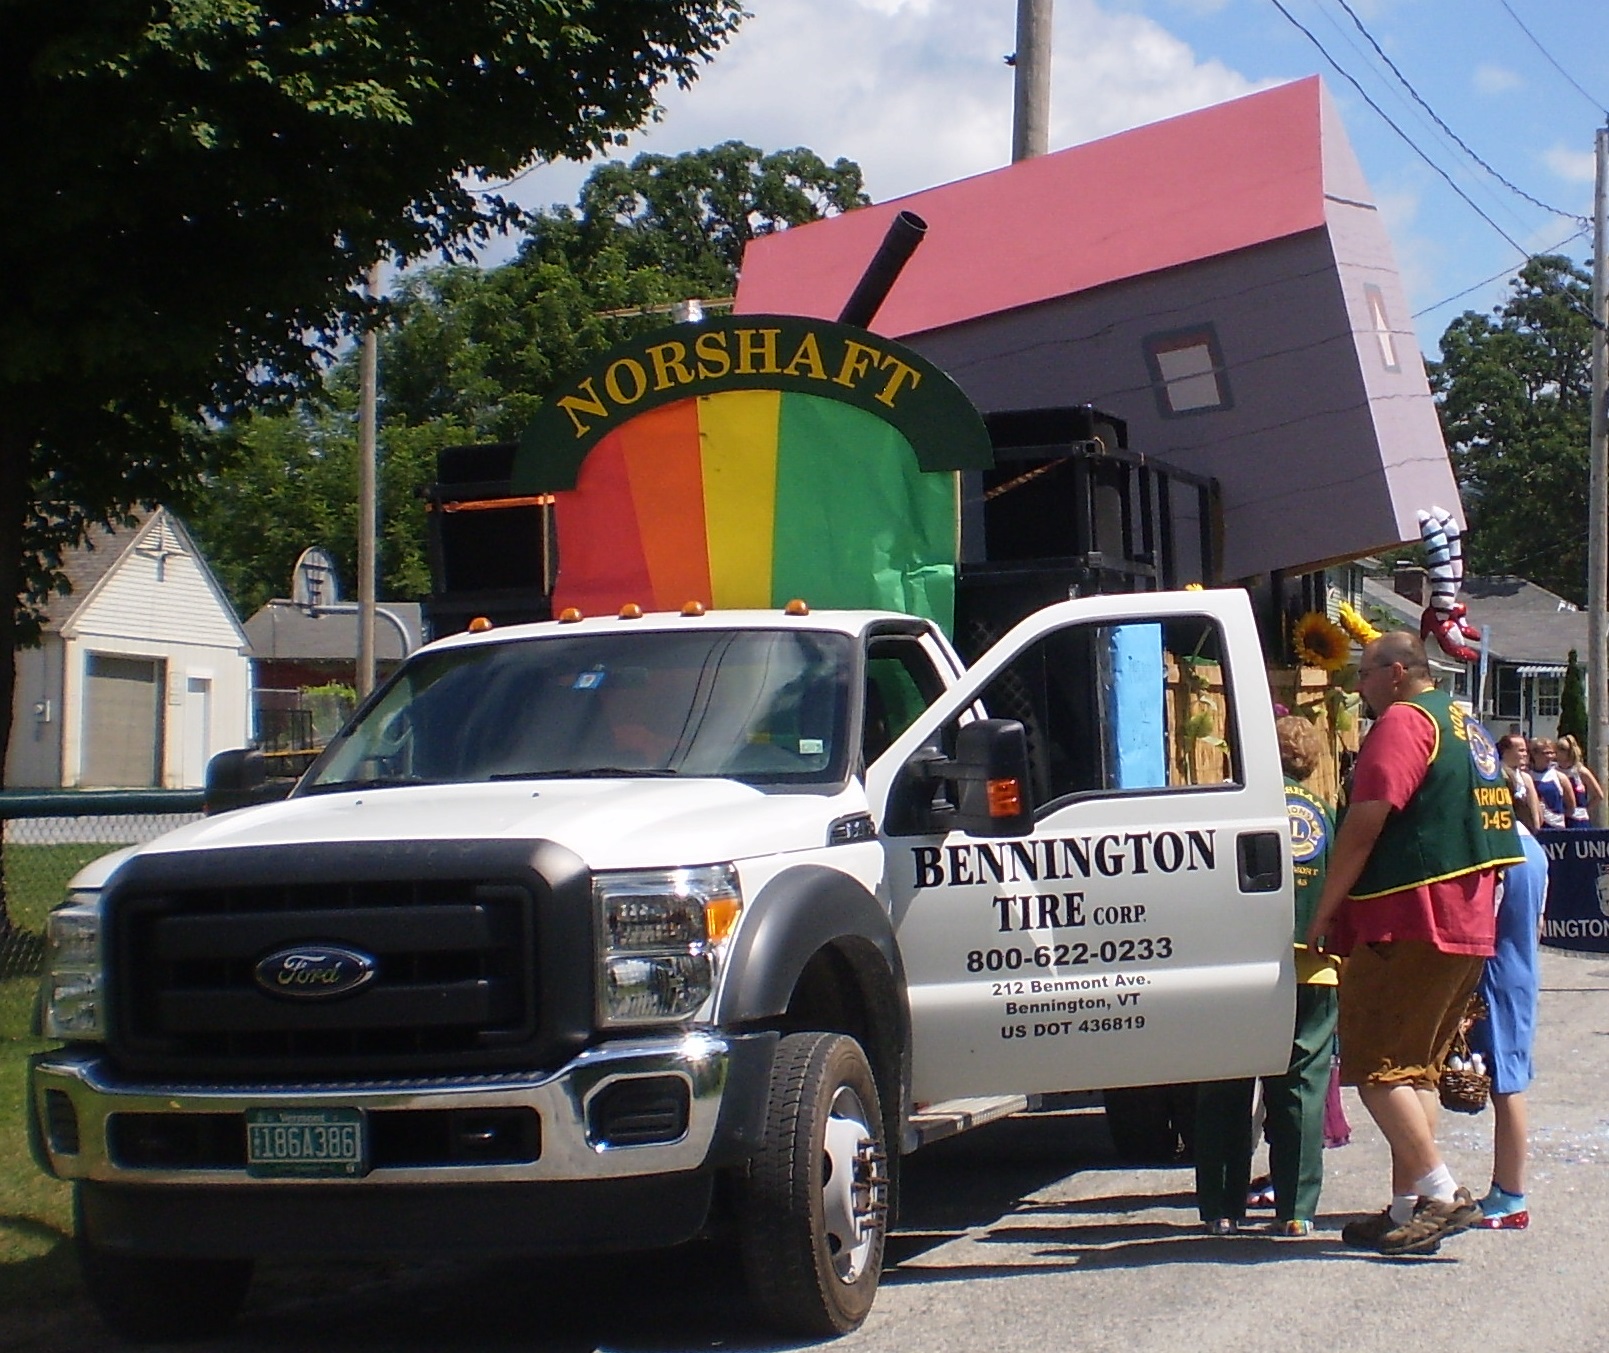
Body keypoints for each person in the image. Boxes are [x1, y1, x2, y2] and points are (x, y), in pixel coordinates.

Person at [1305, 631, 1524, 1257]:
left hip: (1409, 919)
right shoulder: (1464, 723)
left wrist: (1325, 911)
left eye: (1365, 674)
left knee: (1376, 1067)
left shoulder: (1403, 723)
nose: (1357, 687)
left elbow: (1365, 821)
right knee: (1416, 1073)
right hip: (1467, 918)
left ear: (1397, 672)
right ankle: (1406, 1209)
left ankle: (1441, 1194)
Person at [1195, 716, 1344, 1238]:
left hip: (1242, 969)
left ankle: (1221, 1207)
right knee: (1300, 1088)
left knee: (1226, 1086)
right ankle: (1297, 1210)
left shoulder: (1235, 806)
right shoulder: (1324, 814)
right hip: (1314, 969)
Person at [1467, 790, 1549, 1229]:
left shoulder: (1500, 857)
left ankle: (1510, 1193)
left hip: (1496, 973)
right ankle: (1507, 1188)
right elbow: (1537, 920)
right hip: (1523, 971)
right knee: (1511, 1077)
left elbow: (1483, 922)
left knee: (1506, 1085)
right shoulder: (1535, 850)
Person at [1553, 733, 1602, 826]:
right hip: (1559, 818)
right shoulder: (1553, 770)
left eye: (1560, 750)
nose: (1556, 753)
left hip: (1578, 819)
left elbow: (1598, 795)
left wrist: (1586, 809)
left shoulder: (1580, 771)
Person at [1528, 737, 1576, 830]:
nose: (1550, 756)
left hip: (1556, 831)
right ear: (1534, 754)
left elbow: (1571, 807)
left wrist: (1555, 819)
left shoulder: (1560, 777)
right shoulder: (1526, 776)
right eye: (1546, 753)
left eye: (1552, 753)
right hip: (1533, 830)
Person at [1498, 734, 1542, 833]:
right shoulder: (1497, 776)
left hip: (1526, 832)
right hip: (1506, 832)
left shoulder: (1526, 778)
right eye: (1521, 750)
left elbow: (1534, 810)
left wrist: (1536, 830)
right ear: (1506, 751)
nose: (1525, 754)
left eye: (1526, 750)